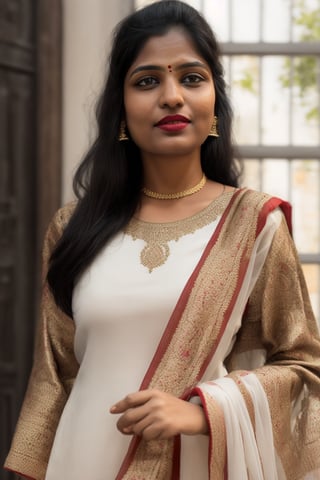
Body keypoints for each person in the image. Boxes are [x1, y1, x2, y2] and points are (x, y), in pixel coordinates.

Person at [4, 1, 320, 479]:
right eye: (147, 80)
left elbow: (304, 366)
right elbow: (55, 376)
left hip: (191, 462)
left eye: (191, 78)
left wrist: (203, 410)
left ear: (215, 98)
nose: (172, 96)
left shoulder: (254, 224)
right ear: (121, 109)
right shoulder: (74, 228)